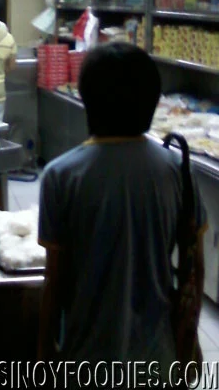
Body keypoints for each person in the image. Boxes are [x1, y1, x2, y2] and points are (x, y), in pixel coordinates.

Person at [37, 42, 207, 385]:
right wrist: (187, 340)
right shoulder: (178, 170)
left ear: (88, 99)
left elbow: (55, 281)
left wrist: (44, 352)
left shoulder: (61, 176)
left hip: (87, 360)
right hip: (158, 358)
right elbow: (195, 270)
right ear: (150, 100)